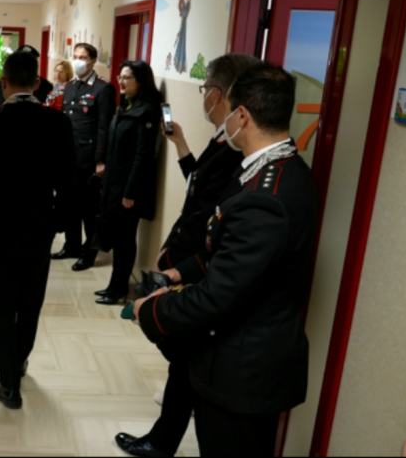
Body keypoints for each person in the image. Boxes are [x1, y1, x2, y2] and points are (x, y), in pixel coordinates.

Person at [133, 62, 318, 456]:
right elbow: (224, 249)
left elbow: (219, 294)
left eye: (230, 110)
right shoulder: (275, 170)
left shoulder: (266, 197)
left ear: (242, 116)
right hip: (240, 359)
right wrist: (176, 272)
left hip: (242, 372)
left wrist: (150, 310)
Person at [114, 53, 260, 457]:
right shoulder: (222, 140)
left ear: (217, 94)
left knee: (182, 349)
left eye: (204, 90)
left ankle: (165, 436)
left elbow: (210, 212)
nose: (203, 98)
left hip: (200, 257)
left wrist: (181, 261)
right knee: (184, 356)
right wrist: (180, 143)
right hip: (186, 253)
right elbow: (199, 189)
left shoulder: (237, 152)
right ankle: (166, 433)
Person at [0, 51, 75, 410]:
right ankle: (19, 361)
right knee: (30, 300)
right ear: (37, 84)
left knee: (0, 303)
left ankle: (8, 381)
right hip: (38, 225)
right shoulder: (58, 123)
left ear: (4, 84)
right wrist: (56, 222)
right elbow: (70, 181)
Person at [94, 60, 161, 306]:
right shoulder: (126, 106)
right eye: (120, 77)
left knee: (124, 240)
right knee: (116, 236)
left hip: (128, 189)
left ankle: (119, 289)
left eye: (127, 78)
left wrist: (130, 192)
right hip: (113, 184)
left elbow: (143, 156)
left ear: (140, 81)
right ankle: (113, 285)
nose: (121, 82)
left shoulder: (147, 111)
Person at [54, 42, 115, 271]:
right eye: (75, 56)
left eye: (83, 57)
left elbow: (104, 128)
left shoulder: (103, 89)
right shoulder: (70, 86)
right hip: (68, 157)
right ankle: (71, 246)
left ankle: (88, 254)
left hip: (89, 159)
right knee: (69, 205)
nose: (78, 60)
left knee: (89, 210)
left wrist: (101, 160)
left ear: (92, 61)